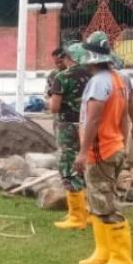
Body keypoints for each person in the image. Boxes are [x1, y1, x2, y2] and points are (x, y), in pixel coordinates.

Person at [69, 32, 133, 264]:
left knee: (105, 205)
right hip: (114, 146)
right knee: (98, 202)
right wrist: (124, 145)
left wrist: (83, 152)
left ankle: (121, 258)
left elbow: (94, 118)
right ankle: (103, 251)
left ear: (90, 59)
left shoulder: (98, 82)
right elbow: (125, 115)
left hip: (101, 151)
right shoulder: (121, 79)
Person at [46, 46, 92, 230]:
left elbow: (54, 107)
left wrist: (48, 100)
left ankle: (76, 216)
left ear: (66, 57)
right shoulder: (91, 74)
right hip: (88, 125)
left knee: (68, 167)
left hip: (67, 127)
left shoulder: (62, 77)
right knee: (87, 166)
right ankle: (89, 211)